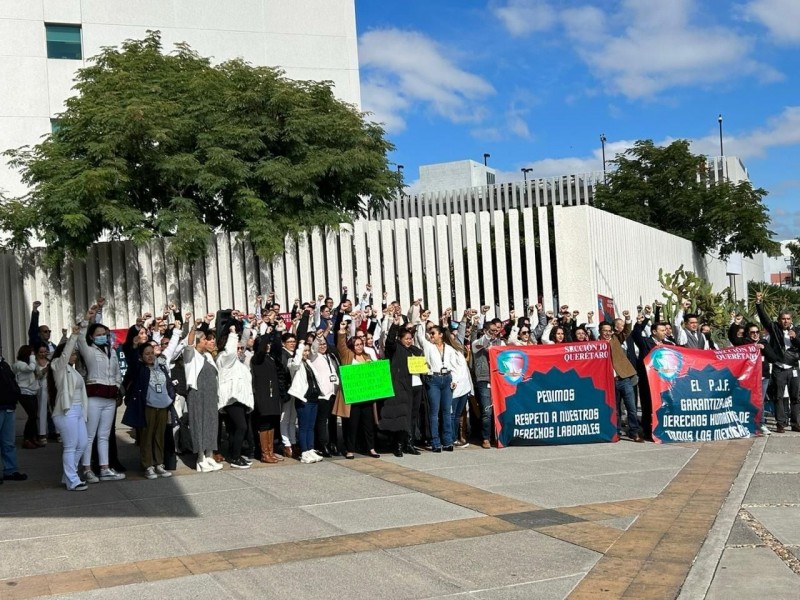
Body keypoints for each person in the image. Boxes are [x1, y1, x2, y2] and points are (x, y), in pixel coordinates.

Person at [77, 305, 125, 483]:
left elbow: (118, 373)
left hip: (110, 398)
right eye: (98, 334)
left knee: (104, 435)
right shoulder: (88, 350)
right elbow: (80, 338)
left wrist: (116, 385)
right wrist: (87, 318)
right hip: (94, 397)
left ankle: (104, 468)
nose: (102, 336)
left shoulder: (111, 352)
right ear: (92, 337)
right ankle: (87, 469)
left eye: (104, 334)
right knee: (90, 435)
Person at [123, 329, 176, 479]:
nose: (150, 356)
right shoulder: (140, 368)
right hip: (148, 407)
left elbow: (168, 383)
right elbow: (131, 360)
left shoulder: (161, 365)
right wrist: (134, 346)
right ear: (141, 357)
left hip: (163, 406)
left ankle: (159, 463)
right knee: (147, 437)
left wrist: (170, 397)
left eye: (151, 353)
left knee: (159, 437)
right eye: (146, 354)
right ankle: (148, 465)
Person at [49, 324, 89, 490]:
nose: (74, 356)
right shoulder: (58, 366)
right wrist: (72, 337)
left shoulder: (73, 371)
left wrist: (85, 325)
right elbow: (65, 354)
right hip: (67, 411)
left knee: (82, 444)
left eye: (75, 353)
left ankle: (68, 476)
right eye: (73, 353)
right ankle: (72, 480)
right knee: (71, 446)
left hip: (78, 410)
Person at [333, 321, 380, 459]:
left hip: (366, 396)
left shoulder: (367, 357)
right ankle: (350, 449)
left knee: (368, 424)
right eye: (357, 344)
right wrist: (342, 331)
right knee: (352, 425)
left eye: (361, 344)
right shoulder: (347, 355)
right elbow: (341, 345)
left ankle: (371, 448)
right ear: (352, 345)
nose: (359, 346)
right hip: (353, 396)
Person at [755, 292, 800, 433]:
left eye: (788, 319)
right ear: (779, 320)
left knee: (796, 397)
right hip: (779, 368)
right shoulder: (774, 328)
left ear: (791, 319)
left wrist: (795, 338)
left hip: (793, 367)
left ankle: (796, 423)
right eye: (783, 319)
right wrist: (758, 303)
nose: (785, 321)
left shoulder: (797, 330)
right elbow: (764, 319)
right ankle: (780, 423)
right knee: (778, 397)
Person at [184, 315, 223, 472]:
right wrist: (194, 328)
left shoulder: (208, 356)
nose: (209, 342)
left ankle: (209, 455)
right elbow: (189, 344)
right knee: (199, 423)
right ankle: (200, 458)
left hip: (211, 395)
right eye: (206, 340)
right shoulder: (190, 356)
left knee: (211, 423)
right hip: (197, 393)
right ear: (199, 342)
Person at [416, 324, 461, 452]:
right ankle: (435, 442)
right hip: (434, 379)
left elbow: (455, 366)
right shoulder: (429, 347)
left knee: (447, 411)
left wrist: (455, 380)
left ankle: (447, 441)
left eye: (433, 333)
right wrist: (421, 321)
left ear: (440, 335)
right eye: (430, 334)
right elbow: (420, 337)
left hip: (447, 379)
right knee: (434, 412)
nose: (431, 336)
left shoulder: (449, 349)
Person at [216, 326, 255, 469]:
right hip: (231, 399)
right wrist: (232, 334)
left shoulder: (239, 364)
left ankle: (234, 455)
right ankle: (235, 457)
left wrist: (246, 327)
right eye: (237, 348)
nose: (240, 351)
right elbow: (230, 352)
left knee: (233, 429)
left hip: (241, 400)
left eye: (241, 349)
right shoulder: (224, 359)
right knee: (241, 427)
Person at [599, 321, 643, 442]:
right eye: (605, 331)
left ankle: (634, 432)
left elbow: (626, 331)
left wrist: (628, 319)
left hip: (624, 379)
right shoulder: (595, 344)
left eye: (609, 330)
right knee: (616, 409)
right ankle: (617, 432)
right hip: (609, 381)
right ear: (600, 331)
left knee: (632, 408)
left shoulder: (615, 339)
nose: (607, 333)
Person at [381, 319, 415, 457]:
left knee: (406, 418)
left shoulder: (412, 350)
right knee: (397, 418)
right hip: (396, 388)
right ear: (400, 339)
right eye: (406, 339)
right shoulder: (395, 349)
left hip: (407, 388)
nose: (409, 341)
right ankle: (397, 445)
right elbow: (389, 342)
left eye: (410, 339)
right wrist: (394, 325)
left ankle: (406, 443)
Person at [250, 335, 286, 464]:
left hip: (272, 395)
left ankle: (270, 451)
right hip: (263, 396)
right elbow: (260, 350)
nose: (268, 346)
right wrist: (266, 334)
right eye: (266, 344)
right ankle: (265, 453)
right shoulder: (257, 359)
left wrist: (276, 332)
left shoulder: (270, 358)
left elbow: (277, 347)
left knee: (271, 423)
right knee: (264, 424)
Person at [287, 341, 323, 464]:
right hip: (303, 398)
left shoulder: (308, 363)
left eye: (307, 351)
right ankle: (303, 452)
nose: (306, 353)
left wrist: (316, 339)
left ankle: (310, 449)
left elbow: (315, 349)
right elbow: (296, 362)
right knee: (303, 427)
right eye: (304, 351)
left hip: (313, 397)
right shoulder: (293, 363)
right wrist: (300, 346)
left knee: (310, 426)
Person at [471, 318, 504, 448]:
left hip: (498, 379)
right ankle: (486, 438)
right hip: (484, 380)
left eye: (496, 331)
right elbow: (482, 342)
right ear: (485, 331)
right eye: (492, 331)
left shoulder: (500, 343)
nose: (495, 333)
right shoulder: (476, 344)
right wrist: (488, 336)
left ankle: (499, 435)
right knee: (487, 410)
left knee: (500, 409)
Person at [1, 354, 27, 483]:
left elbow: (12, 383)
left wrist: (15, 394)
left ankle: (10, 470)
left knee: (8, 442)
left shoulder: (4, 365)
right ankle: (9, 469)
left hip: (8, 406)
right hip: (3, 406)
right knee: (7, 442)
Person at [13, 345, 41, 450]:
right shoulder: (19, 364)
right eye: (31, 353)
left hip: (32, 392)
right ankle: (26, 439)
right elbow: (30, 369)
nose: (33, 355)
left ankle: (32, 438)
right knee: (32, 415)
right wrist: (33, 358)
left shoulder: (29, 363)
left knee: (34, 416)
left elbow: (36, 372)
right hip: (23, 393)